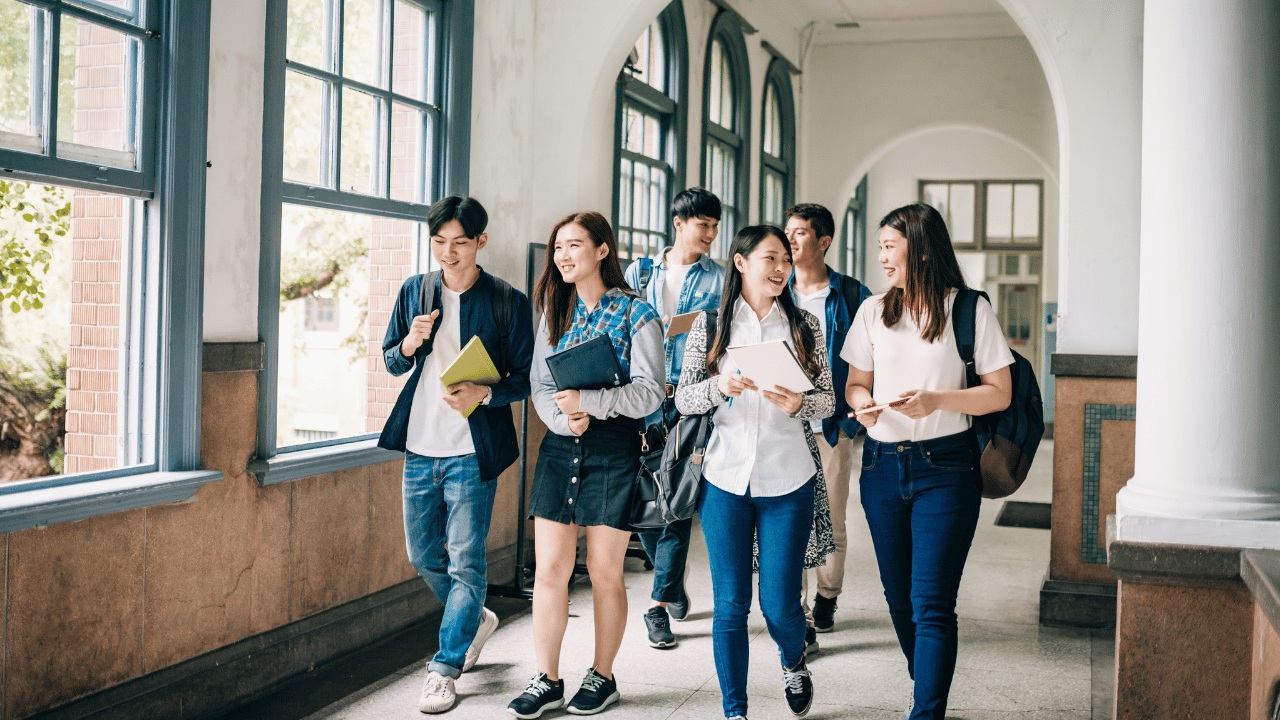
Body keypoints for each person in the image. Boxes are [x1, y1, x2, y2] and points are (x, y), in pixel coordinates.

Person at [843, 203, 1013, 720]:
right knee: (899, 604)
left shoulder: (969, 309)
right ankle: (929, 687)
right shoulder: (873, 310)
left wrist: (938, 400)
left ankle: (926, 712)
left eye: (889, 247)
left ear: (919, 247)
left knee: (931, 605)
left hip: (947, 469)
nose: (882, 257)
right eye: (879, 247)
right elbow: (854, 384)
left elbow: (999, 393)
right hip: (881, 470)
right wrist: (862, 408)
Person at [377, 196, 535, 714]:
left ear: (480, 242)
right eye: (439, 242)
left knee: (467, 560)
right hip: (420, 446)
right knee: (422, 554)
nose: (448, 252)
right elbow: (390, 362)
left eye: (460, 243)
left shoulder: (506, 301)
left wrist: (483, 394)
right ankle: (475, 619)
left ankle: (444, 668)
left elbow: (525, 378)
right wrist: (408, 344)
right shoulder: (414, 291)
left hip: (472, 450)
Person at [674, 224, 836, 720]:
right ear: (741, 263)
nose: (782, 268)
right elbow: (682, 398)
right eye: (771, 258)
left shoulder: (806, 324)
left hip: (788, 480)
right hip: (724, 480)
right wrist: (718, 385)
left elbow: (827, 400)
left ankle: (793, 660)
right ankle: (734, 710)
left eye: (786, 259)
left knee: (781, 606)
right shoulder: (711, 324)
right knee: (730, 606)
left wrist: (800, 403)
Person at [508, 211, 665, 718]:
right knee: (550, 570)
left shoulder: (637, 314)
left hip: (614, 448)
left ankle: (603, 675)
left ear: (602, 250)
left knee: (603, 572)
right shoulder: (555, 310)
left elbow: (649, 393)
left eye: (574, 245)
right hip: (561, 446)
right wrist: (561, 418)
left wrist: (589, 405)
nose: (563, 256)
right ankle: (547, 679)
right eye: (558, 248)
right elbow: (540, 384)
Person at [622, 187, 726, 649]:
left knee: (678, 501)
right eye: (703, 224)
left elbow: (722, 337)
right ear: (678, 223)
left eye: (715, 226)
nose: (711, 233)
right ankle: (672, 580)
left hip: (688, 400)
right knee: (645, 502)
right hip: (638, 399)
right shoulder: (639, 272)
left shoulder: (720, 278)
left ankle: (658, 605)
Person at [784, 203, 871, 650]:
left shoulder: (852, 294)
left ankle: (827, 596)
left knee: (830, 520)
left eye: (801, 233)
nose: (791, 240)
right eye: (788, 232)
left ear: (823, 241)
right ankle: (795, 613)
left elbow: (868, 358)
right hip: (781, 424)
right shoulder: (777, 291)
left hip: (830, 424)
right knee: (789, 521)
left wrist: (853, 417)